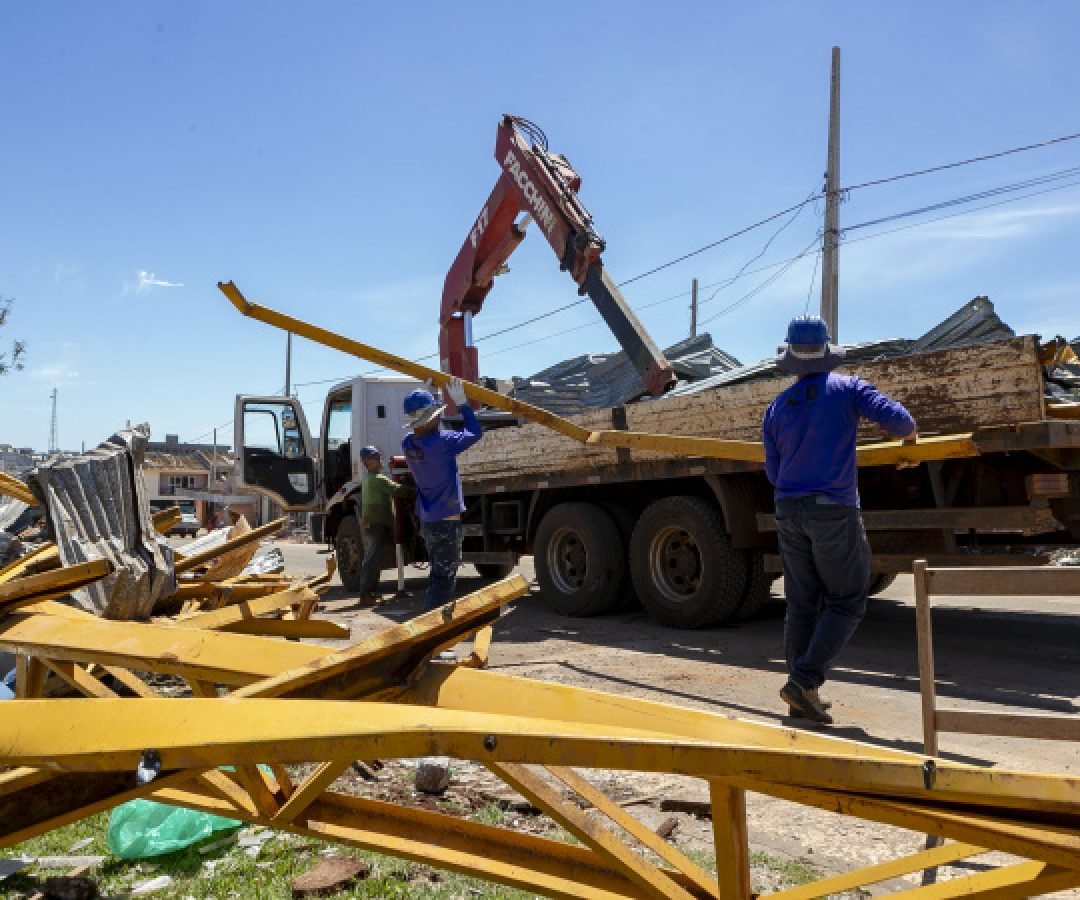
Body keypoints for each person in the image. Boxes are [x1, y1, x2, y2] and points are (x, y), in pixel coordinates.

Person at [762, 315, 916, 724]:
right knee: (847, 600)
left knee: (801, 604)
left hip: (788, 510)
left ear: (791, 358)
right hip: (833, 509)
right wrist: (910, 443)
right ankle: (805, 680)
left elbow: (774, 473)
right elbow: (902, 422)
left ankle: (801, 688)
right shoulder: (848, 389)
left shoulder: (776, 408)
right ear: (827, 351)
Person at [401, 377, 482, 611]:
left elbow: (426, 428)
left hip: (429, 522)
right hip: (447, 524)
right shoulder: (443, 441)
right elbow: (475, 432)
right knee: (444, 582)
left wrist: (427, 397)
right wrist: (463, 404)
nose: (439, 416)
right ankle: (434, 634)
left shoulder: (407, 443)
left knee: (437, 577)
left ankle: (431, 628)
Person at [358, 445, 412, 604]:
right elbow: (396, 490)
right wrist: (414, 489)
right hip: (377, 523)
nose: (379, 460)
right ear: (368, 462)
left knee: (374, 558)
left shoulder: (368, 478)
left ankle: (369, 592)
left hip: (372, 523)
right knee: (372, 559)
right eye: (376, 458)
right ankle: (366, 593)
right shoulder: (377, 479)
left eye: (378, 457)